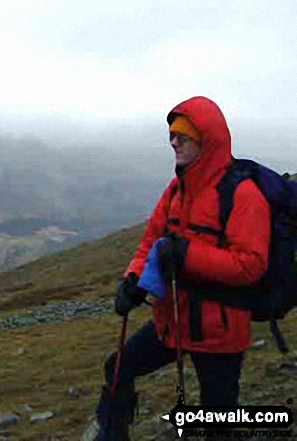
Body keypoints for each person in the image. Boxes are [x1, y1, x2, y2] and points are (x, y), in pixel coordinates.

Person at [95, 96, 271, 440]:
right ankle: (112, 434)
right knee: (117, 369)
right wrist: (132, 281)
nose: (174, 142)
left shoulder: (243, 195)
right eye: (172, 136)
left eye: (183, 136)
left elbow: (251, 265)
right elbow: (150, 243)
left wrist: (188, 254)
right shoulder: (176, 190)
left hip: (219, 332)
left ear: (206, 141)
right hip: (172, 321)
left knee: (218, 421)